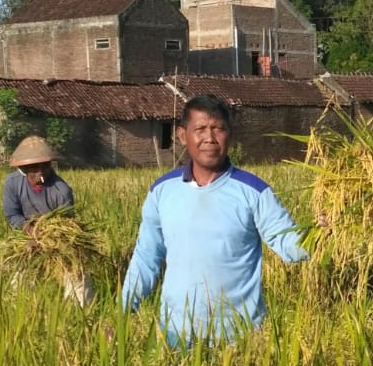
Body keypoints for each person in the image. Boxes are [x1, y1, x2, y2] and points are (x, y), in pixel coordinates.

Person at [119, 94, 308, 345]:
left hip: (239, 337)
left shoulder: (254, 192)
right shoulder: (162, 191)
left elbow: (290, 246)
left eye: (218, 128)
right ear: (182, 136)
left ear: (229, 134)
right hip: (176, 332)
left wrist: (321, 233)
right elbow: (146, 257)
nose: (209, 138)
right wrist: (124, 314)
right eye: (200, 129)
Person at [2, 135, 91, 304]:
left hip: (59, 240)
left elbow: (66, 224)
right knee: (21, 279)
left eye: (45, 166)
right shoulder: (12, 184)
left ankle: (80, 310)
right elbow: (12, 214)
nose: (40, 172)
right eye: (34, 168)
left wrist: (48, 237)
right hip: (28, 237)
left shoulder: (61, 190)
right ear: (23, 168)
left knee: (77, 276)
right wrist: (28, 228)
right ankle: (22, 309)